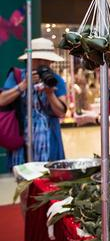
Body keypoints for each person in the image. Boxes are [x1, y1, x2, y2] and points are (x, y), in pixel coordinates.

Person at [0, 37, 67, 167]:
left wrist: (50, 94)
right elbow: (2, 100)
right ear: (29, 60)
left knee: (48, 178)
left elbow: (61, 112)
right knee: (24, 179)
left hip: (49, 139)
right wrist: (24, 85)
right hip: (22, 139)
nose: (42, 63)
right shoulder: (17, 76)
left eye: (46, 60)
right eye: (38, 59)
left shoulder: (56, 79)